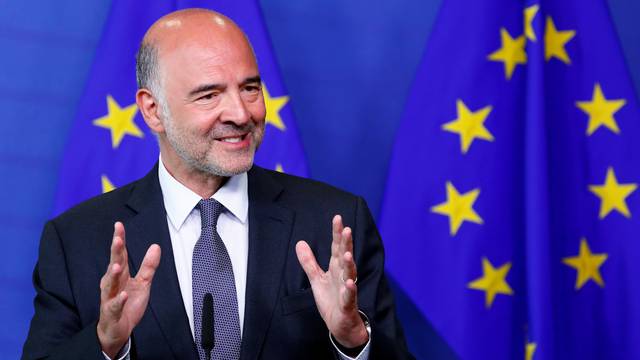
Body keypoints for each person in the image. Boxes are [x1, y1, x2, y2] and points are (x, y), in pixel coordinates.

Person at [22, 8, 411, 360]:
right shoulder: (76, 242)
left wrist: (353, 340)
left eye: (250, 88)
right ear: (152, 110)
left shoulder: (335, 223)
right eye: (209, 95)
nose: (242, 114)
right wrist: (105, 344)